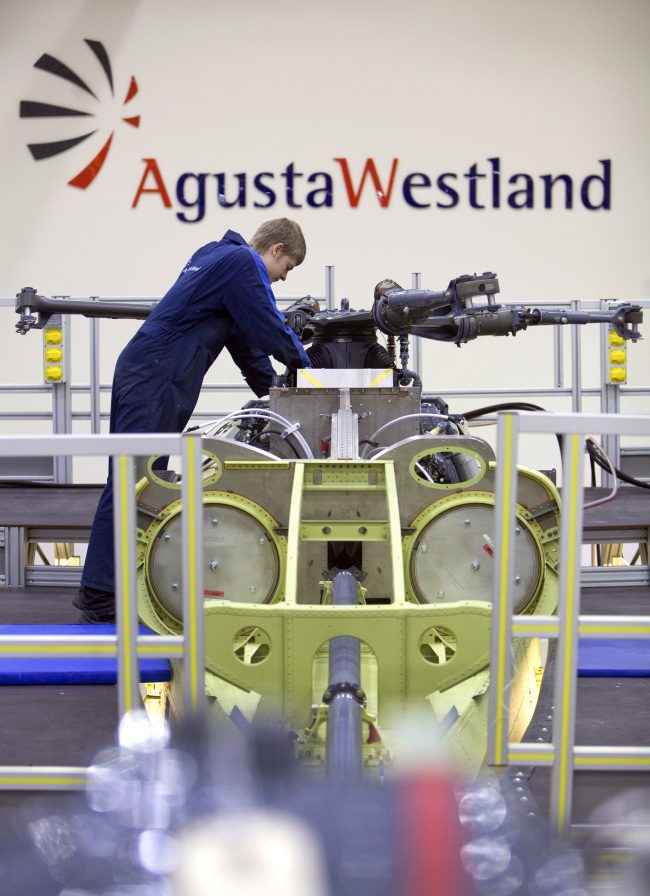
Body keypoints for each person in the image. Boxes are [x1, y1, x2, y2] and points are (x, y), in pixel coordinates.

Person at [74, 218, 311, 623]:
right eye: (286, 267)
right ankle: (99, 597)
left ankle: (112, 590)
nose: (283, 279)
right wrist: (309, 371)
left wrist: (276, 391)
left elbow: (243, 339)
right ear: (274, 249)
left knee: (138, 482)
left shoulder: (214, 255)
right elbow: (268, 326)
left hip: (146, 370)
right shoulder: (241, 263)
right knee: (134, 483)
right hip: (156, 376)